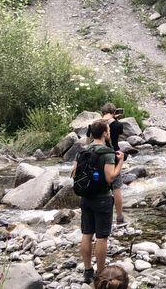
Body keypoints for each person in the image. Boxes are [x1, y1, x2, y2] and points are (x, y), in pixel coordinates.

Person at [71, 120, 125, 284]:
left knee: (87, 234)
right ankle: (101, 273)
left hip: (85, 198)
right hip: (102, 198)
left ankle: (88, 271)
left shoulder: (82, 152)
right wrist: (120, 162)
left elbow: (74, 174)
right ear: (104, 133)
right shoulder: (107, 152)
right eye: (108, 130)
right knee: (101, 237)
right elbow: (110, 177)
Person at [88, 103, 127, 225]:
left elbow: (88, 139)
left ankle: (94, 213)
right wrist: (115, 119)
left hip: (94, 155)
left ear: (103, 112)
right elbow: (120, 131)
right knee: (116, 187)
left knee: (97, 182)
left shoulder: (94, 125)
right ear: (114, 112)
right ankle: (120, 217)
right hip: (112, 155)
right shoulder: (116, 124)